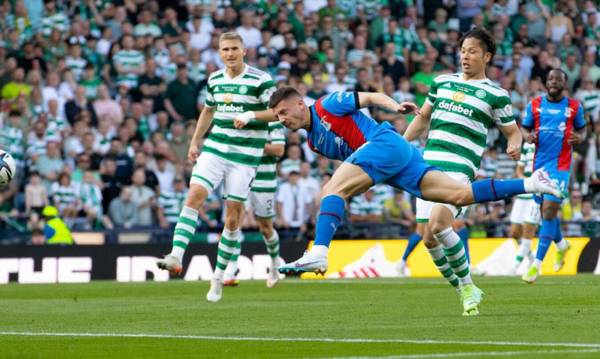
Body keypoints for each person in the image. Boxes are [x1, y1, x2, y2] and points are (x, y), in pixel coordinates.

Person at [239, 85, 559, 317]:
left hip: (385, 144)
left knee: (330, 192)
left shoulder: (326, 105)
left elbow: (369, 97)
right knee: (458, 194)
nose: (280, 119)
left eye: (282, 112)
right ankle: (533, 182)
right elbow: (355, 163)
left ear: (298, 104)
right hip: (392, 162)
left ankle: (320, 253)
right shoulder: (313, 142)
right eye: (276, 115)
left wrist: (393, 106)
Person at [403, 27, 524, 315]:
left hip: (459, 168)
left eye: (472, 51)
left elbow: (512, 132)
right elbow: (422, 120)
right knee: (428, 237)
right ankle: (463, 289)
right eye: (462, 50)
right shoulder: (442, 82)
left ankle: (468, 285)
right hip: (425, 166)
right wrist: (397, 146)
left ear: (487, 56)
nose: (465, 56)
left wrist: (514, 144)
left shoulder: (496, 94)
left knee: (439, 222)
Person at [156, 32, 276, 303]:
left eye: (234, 48)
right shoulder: (214, 79)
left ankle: (218, 277)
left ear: (244, 51)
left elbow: (277, 112)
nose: (230, 53)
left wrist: (250, 115)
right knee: (194, 195)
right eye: (225, 49)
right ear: (220, 53)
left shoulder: (261, 80)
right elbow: (208, 111)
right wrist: (195, 141)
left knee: (233, 217)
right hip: (216, 148)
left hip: (245, 156)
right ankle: (176, 254)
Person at [521, 68, 587, 283]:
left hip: (561, 166)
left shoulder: (574, 107)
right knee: (544, 212)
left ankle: (536, 265)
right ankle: (561, 244)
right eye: (550, 79)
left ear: (564, 83)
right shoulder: (535, 104)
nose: (553, 82)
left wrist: (580, 137)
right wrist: (527, 136)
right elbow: (524, 128)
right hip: (539, 166)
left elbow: (584, 131)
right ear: (546, 82)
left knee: (549, 212)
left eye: (558, 80)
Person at [223, 121, 286, 288]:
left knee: (265, 228)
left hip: (264, 180)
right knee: (233, 221)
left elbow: (279, 150)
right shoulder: (240, 119)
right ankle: (231, 269)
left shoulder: (274, 123)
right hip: (240, 176)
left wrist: (253, 142)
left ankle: (274, 265)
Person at [509, 142, 540, 274]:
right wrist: (525, 182)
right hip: (523, 193)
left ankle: (513, 268)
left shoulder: (545, 145)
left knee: (528, 230)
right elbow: (519, 170)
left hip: (537, 193)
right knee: (515, 233)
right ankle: (532, 260)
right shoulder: (526, 146)